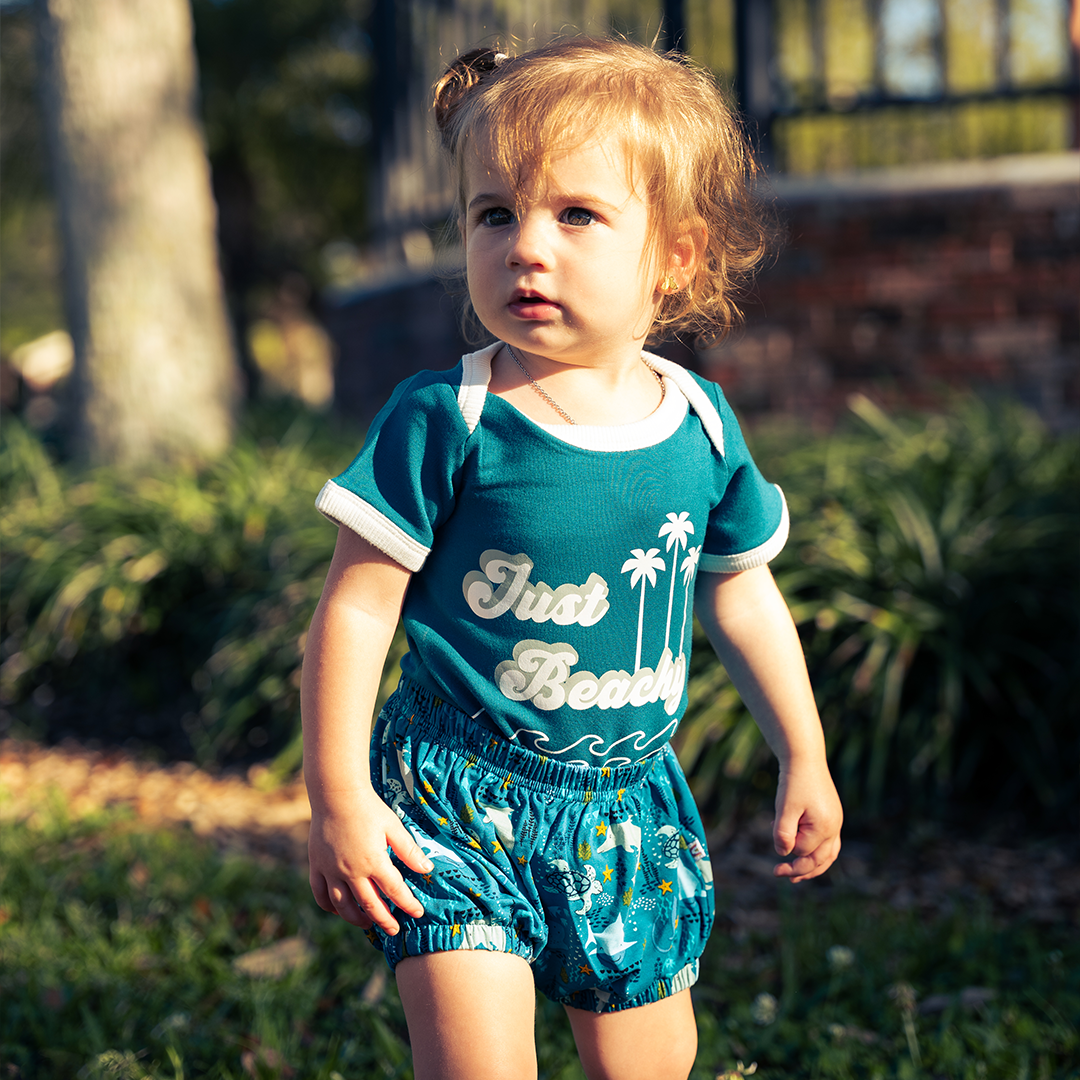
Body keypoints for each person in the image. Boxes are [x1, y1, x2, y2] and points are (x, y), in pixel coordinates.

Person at [301, 37, 842, 1080]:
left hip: (626, 811)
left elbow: (742, 596)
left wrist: (804, 753)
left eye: (576, 215)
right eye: (494, 213)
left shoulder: (702, 427)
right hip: (455, 800)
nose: (525, 248)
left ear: (676, 254)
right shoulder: (449, 418)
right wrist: (337, 795)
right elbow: (357, 610)